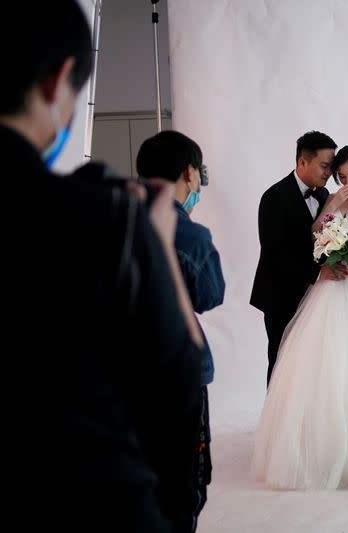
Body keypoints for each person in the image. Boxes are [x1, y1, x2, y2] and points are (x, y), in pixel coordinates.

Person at [3, 2, 204, 531]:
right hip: (90, 495)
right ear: (59, 79)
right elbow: (178, 381)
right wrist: (156, 244)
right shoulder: (108, 216)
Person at [251, 145, 348, 490]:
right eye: (341, 177)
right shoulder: (333, 198)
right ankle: (320, 445)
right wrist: (333, 206)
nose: (347, 182)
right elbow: (315, 236)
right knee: (324, 364)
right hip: (332, 286)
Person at [137, 130, 226, 530]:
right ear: (189, 173)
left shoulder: (109, 214)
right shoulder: (188, 232)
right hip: (177, 373)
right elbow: (210, 294)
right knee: (184, 484)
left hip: (119, 373)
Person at [250, 131, 336, 384]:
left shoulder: (323, 195)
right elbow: (274, 252)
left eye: (331, 167)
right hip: (280, 295)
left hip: (316, 295)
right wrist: (319, 272)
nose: (328, 173)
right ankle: (275, 422)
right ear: (302, 162)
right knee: (281, 358)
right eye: (324, 166)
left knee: (311, 360)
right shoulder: (274, 197)